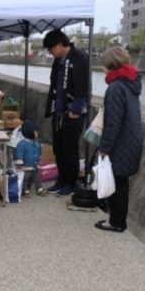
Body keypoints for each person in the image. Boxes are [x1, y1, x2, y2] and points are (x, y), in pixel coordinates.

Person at [94, 47, 143, 233]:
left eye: (104, 64)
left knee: (116, 182)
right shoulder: (130, 83)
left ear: (110, 65)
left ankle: (116, 222)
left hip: (120, 142)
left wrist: (104, 147)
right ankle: (117, 219)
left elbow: (113, 122)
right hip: (131, 139)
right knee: (121, 181)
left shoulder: (115, 87)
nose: (102, 68)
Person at [42, 29, 90, 197]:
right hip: (59, 110)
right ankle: (61, 180)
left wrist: (76, 110)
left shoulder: (79, 57)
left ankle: (71, 183)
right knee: (58, 147)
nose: (51, 52)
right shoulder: (59, 60)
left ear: (61, 44)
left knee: (70, 148)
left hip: (73, 112)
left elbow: (83, 87)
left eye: (51, 49)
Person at [13, 120, 45, 196]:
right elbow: (19, 154)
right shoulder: (22, 144)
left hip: (35, 165)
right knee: (26, 179)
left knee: (37, 178)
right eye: (36, 132)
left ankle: (39, 188)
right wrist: (19, 163)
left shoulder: (37, 142)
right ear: (29, 132)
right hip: (25, 166)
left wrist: (39, 159)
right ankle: (25, 190)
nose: (37, 133)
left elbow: (39, 151)